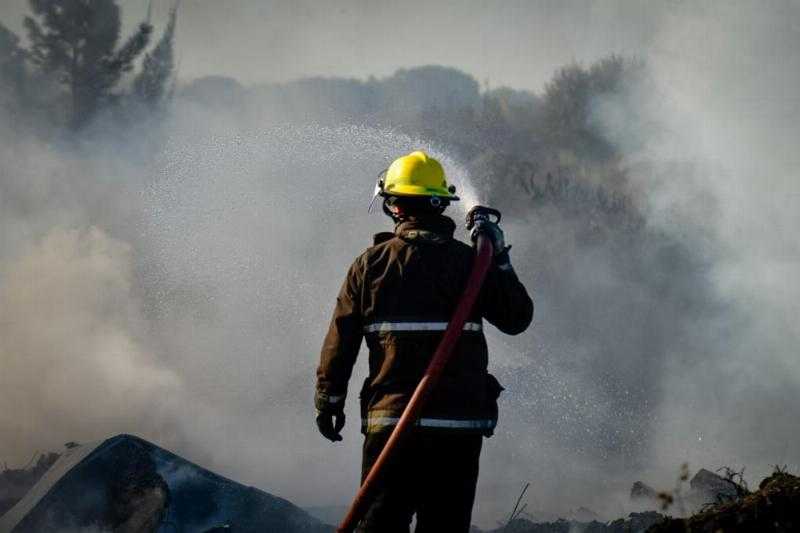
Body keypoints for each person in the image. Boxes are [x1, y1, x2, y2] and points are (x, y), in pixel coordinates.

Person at [315, 151, 533, 532]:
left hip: (392, 426)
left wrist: (329, 402)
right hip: (456, 431)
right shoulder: (470, 262)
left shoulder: (370, 265)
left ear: (395, 206)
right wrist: (498, 256)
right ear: (440, 204)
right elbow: (516, 318)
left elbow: (341, 340)